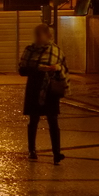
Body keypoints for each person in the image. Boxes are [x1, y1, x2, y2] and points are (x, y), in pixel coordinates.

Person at [18, 23, 69, 164]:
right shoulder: (30, 50)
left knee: (53, 120)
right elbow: (22, 70)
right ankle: (32, 150)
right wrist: (38, 69)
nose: (41, 38)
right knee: (33, 120)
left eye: (43, 35)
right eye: (38, 35)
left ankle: (56, 153)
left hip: (50, 89)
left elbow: (64, 67)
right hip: (34, 88)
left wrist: (56, 68)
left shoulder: (56, 50)